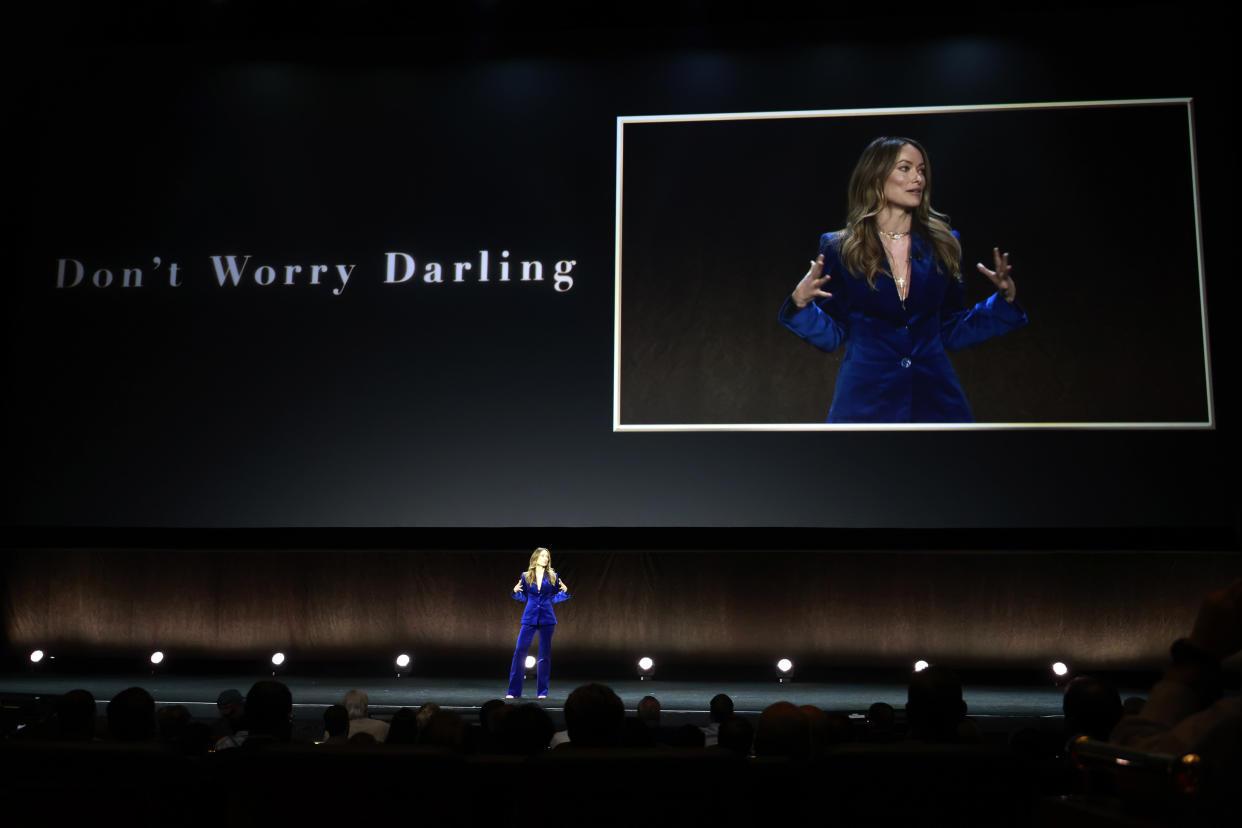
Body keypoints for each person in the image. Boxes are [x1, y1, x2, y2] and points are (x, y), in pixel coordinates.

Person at [779, 136, 1028, 423]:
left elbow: (950, 329)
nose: (918, 179)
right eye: (905, 169)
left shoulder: (945, 243)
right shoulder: (840, 247)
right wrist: (800, 304)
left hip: (935, 402)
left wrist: (1004, 302)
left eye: (921, 170)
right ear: (876, 177)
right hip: (866, 403)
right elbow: (834, 334)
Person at [506, 547, 571, 699]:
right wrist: (516, 592)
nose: (545, 558)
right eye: (542, 556)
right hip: (529, 617)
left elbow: (554, 599)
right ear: (535, 558)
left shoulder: (553, 576)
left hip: (547, 618)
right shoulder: (526, 576)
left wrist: (565, 592)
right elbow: (524, 598)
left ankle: (542, 692)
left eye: (547, 556)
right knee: (519, 652)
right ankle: (513, 691)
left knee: (544, 655)